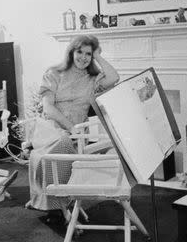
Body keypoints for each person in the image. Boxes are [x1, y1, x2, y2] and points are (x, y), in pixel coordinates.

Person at [25, 35, 119, 221]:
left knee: (65, 143)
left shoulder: (92, 79)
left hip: (76, 133)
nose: (83, 57)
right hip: (50, 129)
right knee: (61, 142)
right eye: (79, 52)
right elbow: (48, 108)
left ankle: (57, 200)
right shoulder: (53, 73)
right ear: (71, 52)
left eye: (88, 54)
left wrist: (98, 56)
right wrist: (70, 127)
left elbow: (114, 77)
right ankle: (56, 201)